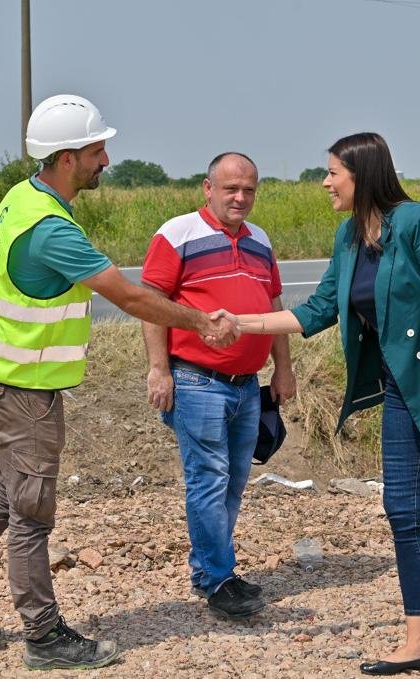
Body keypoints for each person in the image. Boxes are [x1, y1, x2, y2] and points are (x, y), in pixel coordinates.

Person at [0, 94, 237, 671]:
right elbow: (131, 296)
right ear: (66, 158)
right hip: (22, 385)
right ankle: (44, 637)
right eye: (95, 151)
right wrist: (201, 323)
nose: (105, 160)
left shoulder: (24, 196)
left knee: (15, 487)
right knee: (31, 512)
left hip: (0, 372)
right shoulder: (51, 230)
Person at [234, 133, 420, 679]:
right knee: (402, 510)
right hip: (402, 387)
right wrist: (240, 323)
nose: (325, 183)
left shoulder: (416, 222)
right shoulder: (349, 235)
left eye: (333, 173)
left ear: (362, 175)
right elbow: (318, 310)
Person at [140, 152, 296, 620]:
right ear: (208, 188)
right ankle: (217, 578)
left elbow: (273, 305)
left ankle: (213, 570)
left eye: (249, 189)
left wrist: (283, 368)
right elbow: (151, 303)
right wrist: (158, 368)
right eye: (231, 188)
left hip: (247, 385)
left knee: (233, 482)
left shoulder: (260, 240)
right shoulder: (177, 234)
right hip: (196, 380)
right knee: (208, 480)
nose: (240, 197)